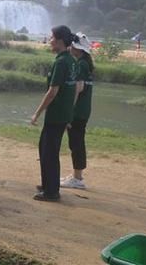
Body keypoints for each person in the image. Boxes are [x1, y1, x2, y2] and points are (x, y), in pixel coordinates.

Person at [30, 25, 77, 202]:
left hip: (55, 114)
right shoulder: (71, 61)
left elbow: (52, 91)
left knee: (48, 151)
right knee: (48, 149)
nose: (49, 41)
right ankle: (48, 184)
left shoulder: (61, 62)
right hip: (63, 114)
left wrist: (37, 113)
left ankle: (51, 192)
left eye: (51, 38)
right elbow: (73, 90)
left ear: (58, 41)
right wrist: (69, 115)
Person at [61, 32, 94, 190]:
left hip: (77, 111)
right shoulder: (86, 63)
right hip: (83, 110)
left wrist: (69, 111)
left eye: (73, 46)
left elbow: (78, 88)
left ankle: (78, 178)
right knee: (77, 142)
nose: (71, 48)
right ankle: (76, 175)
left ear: (77, 49)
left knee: (76, 143)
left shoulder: (80, 65)